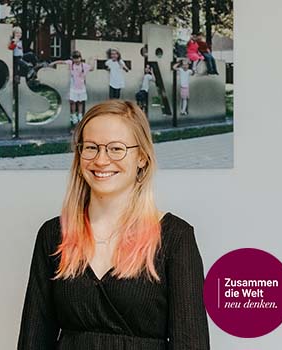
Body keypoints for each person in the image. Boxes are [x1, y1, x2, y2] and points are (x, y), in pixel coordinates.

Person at [18, 100, 209, 349]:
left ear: (142, 157)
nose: (101, 160)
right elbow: (33, 340)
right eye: (91, 148)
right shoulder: (53, 234)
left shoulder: (175, 237)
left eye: (116, 149)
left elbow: (191, 343)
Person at [50, 50, 93, 126]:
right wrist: (54, 62)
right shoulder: (71, 63)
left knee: (80, 102)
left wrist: (91, 60)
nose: (76, 60)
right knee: (73, 102)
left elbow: (91, 68)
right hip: (73, 88)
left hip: (81, 87)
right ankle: (73, 116)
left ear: (80, 58)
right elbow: (62, 62)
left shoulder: (83, 65)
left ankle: (80, 116)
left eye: (78, 58)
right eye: (75, 58)